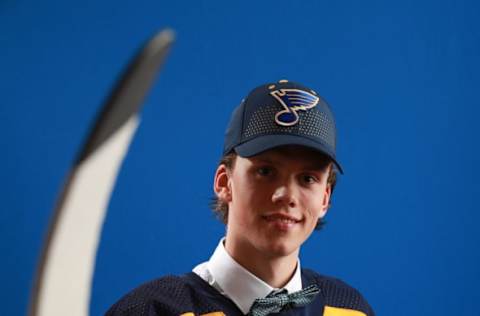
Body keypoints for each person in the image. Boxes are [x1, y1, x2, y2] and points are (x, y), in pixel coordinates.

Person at [106, 80, 375, 316]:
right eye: (266, 171)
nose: (287, 195)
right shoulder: (153, 310)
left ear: (325, 199)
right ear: (224, 182)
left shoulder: (349, 308)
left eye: (308, 179)